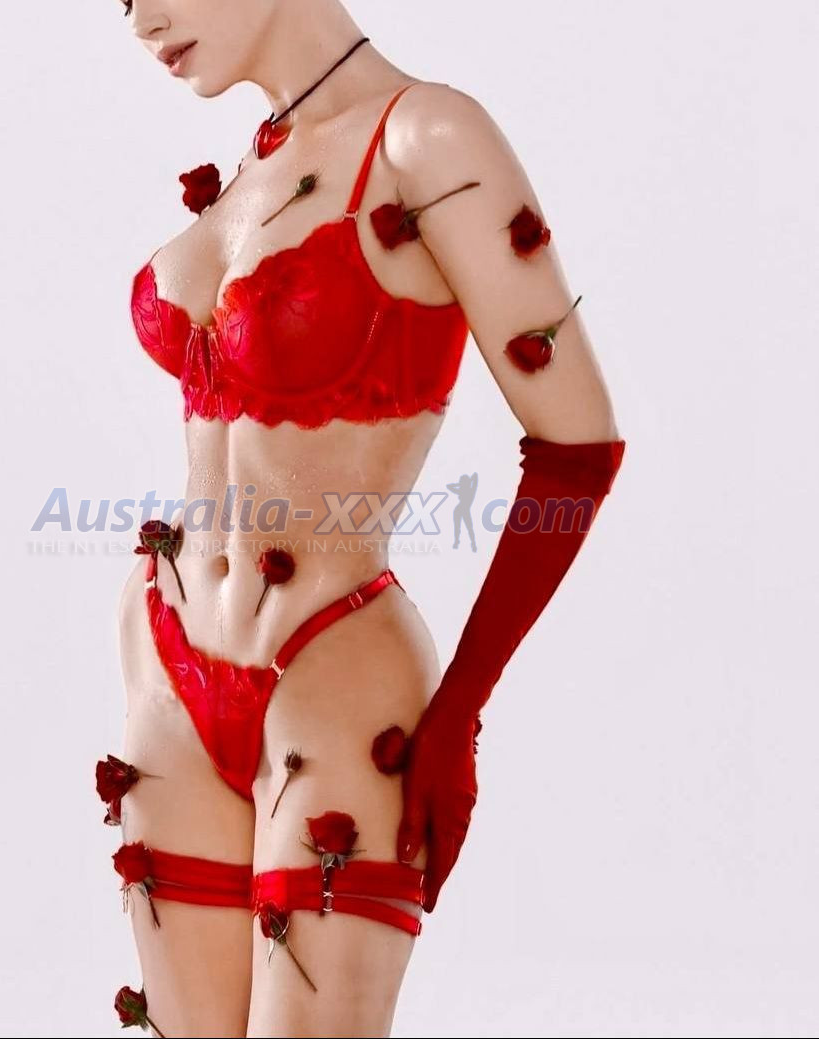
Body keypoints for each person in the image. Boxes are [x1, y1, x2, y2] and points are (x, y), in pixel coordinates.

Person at [99, 1, 626, 1035]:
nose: (139, 18)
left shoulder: (427, 140)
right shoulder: (258, 163)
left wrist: (461, 709)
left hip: (331, 673)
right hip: (166, 665)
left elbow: (578, 447)